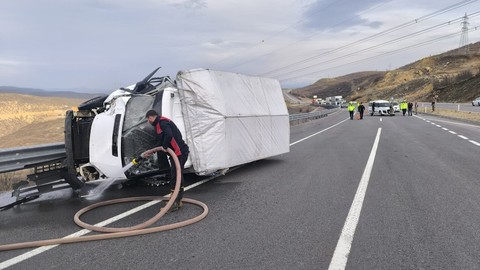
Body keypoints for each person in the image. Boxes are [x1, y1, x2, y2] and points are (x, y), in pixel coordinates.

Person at [144, 110, 189, 211]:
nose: (148, 122)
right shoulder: (158, 125)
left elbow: (169, 135)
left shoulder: (163, 123)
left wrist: (164, 146)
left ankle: (175, 202)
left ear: (150, 117)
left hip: (179, 152)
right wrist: (151, 151)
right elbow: (160, 141)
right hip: (175, 154)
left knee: (176, 177)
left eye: (148, 119)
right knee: (176, 176)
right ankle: (176, 199)